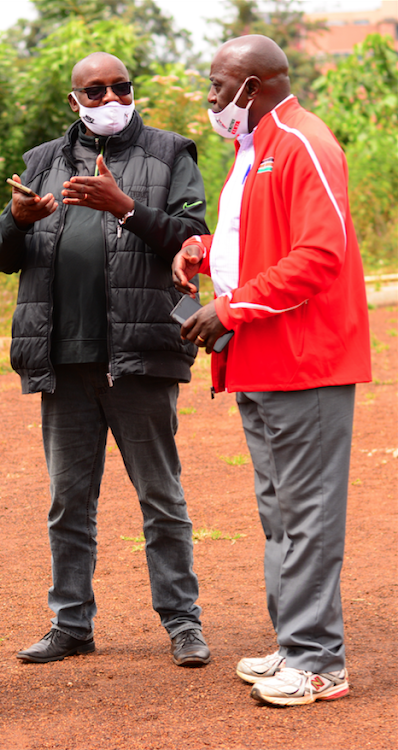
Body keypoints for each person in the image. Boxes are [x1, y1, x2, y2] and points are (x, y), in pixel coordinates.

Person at [0, 52, 211, 667]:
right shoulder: (41, 161)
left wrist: (126, 209)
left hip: (138, 354)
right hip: (64, 359)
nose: (110, 98)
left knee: (161, 498)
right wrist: (15, 218)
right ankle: (70, 623)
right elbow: (1, 255)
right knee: (68, 503)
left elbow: (196, 237)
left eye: (121, 87)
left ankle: (182, 621)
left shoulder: (169, 154)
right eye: (95, 90)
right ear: (73, 100)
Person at [172, 35, 372, 706]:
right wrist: (201, 253)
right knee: (281, 513)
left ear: (251, 87)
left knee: (307, 514)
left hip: (304, 361)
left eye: (217, 87)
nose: (211, 100)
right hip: (261, 360)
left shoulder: (304, 142)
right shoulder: (253, 148)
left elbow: (320, 255)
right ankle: (295, 642)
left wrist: (230, 310)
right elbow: (254, 237)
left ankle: (320, 662)